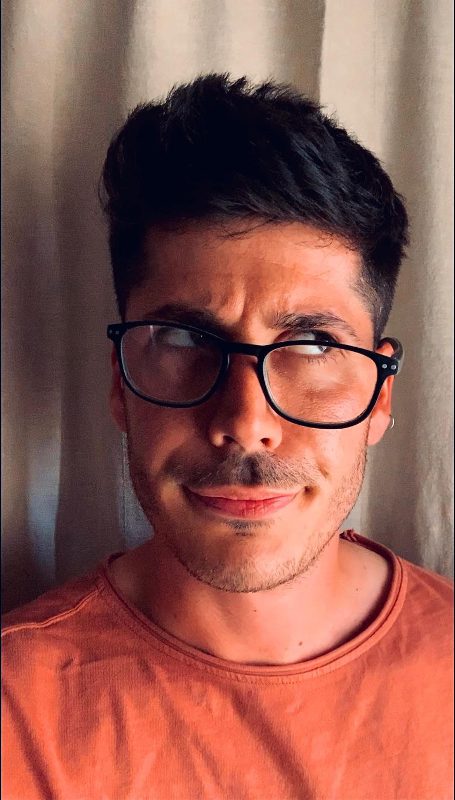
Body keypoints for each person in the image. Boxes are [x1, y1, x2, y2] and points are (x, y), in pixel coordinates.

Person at [2, 74, 453, 800]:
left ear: (380, 396)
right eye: (184, 338)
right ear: (119, 381)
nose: (245, 422)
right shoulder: (19, 713)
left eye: (311, 344)